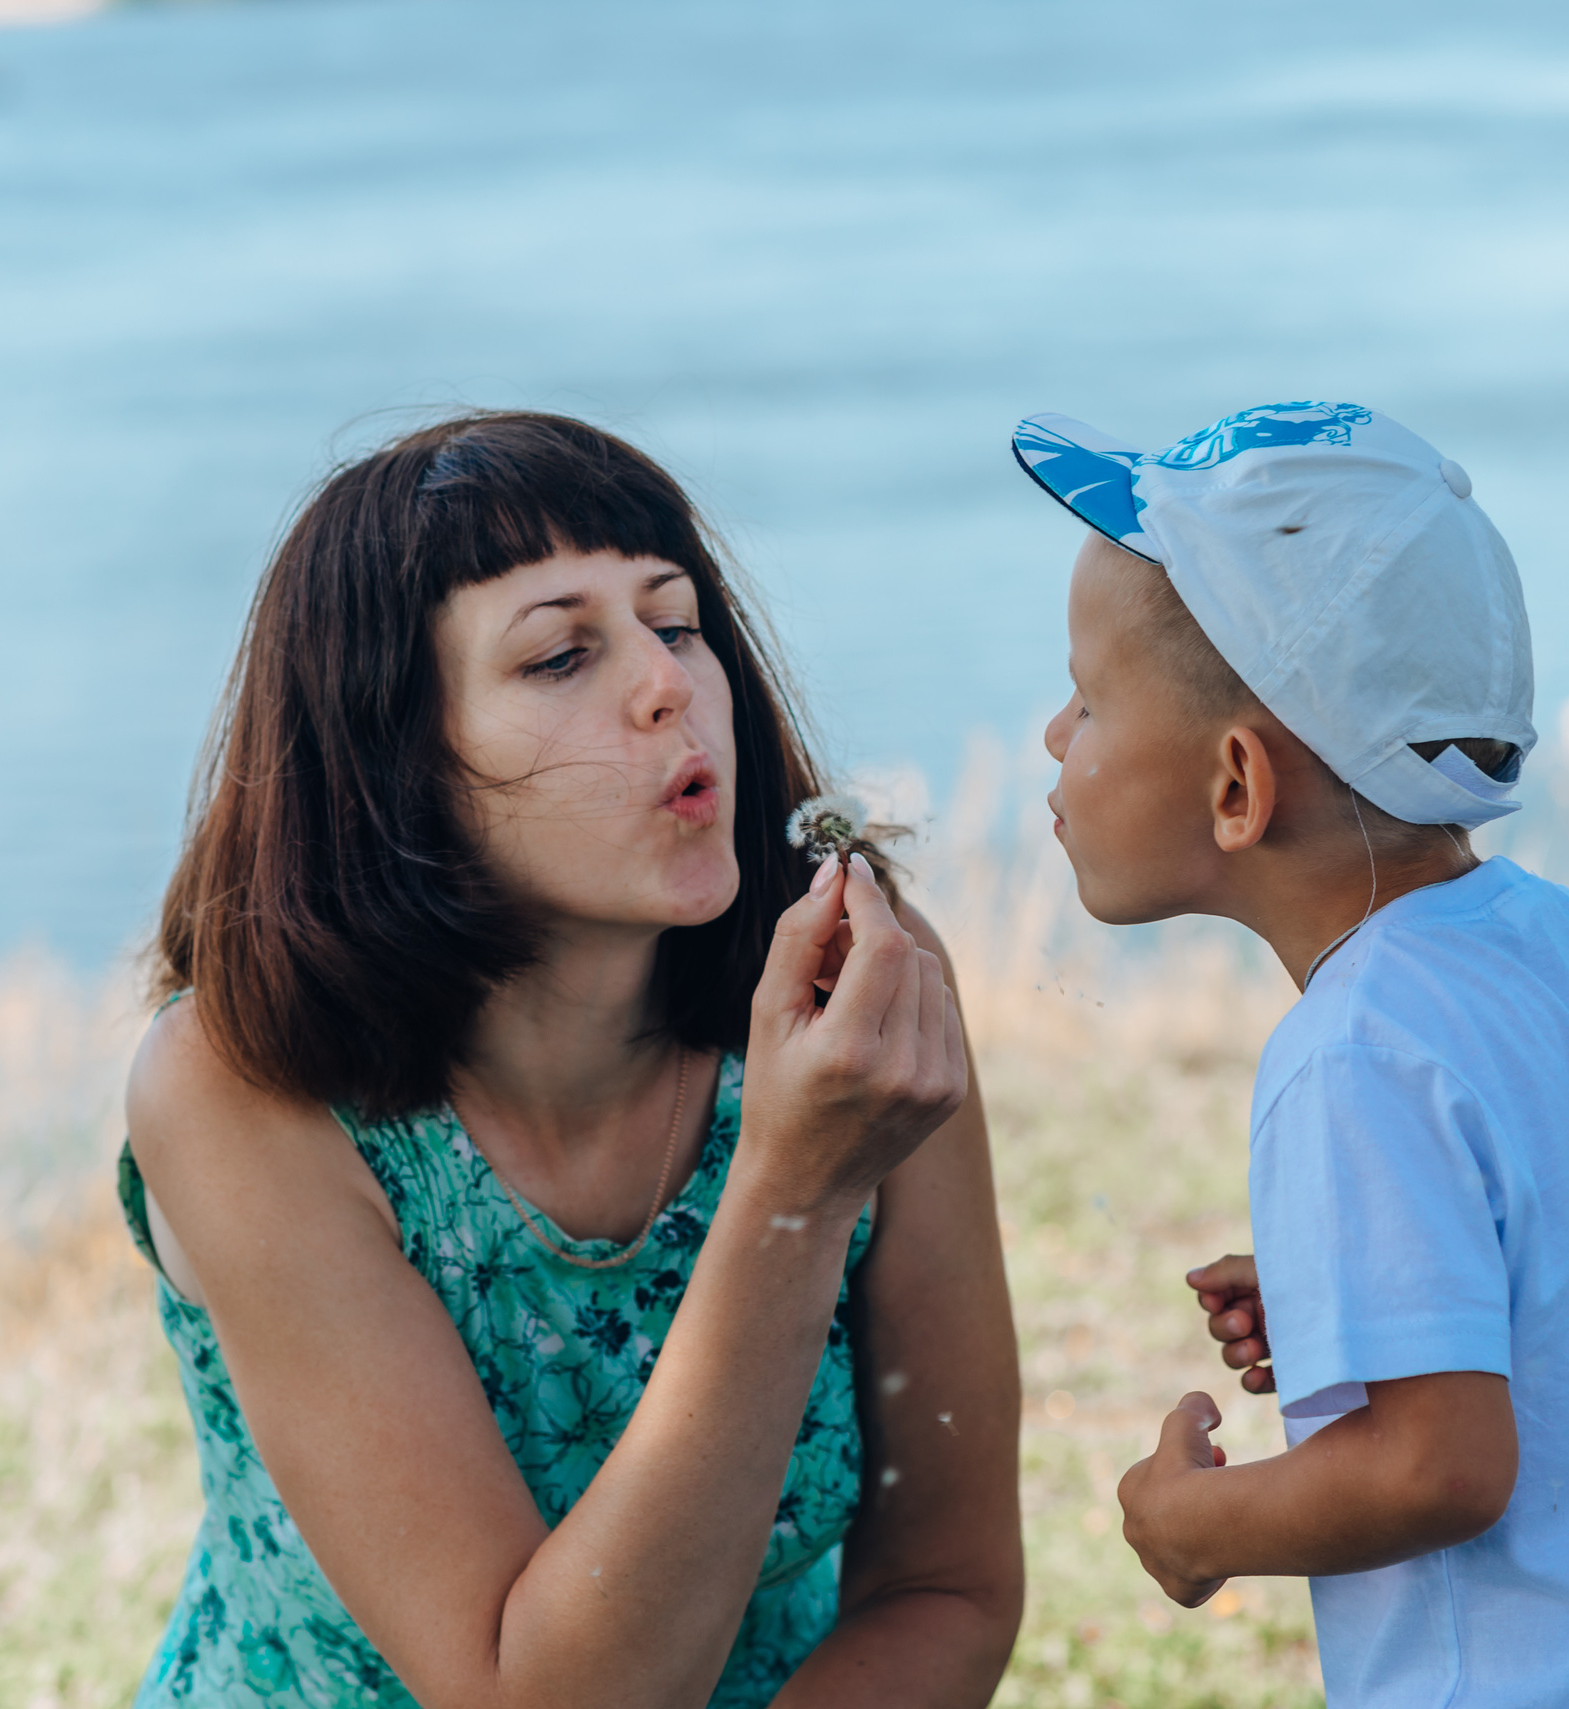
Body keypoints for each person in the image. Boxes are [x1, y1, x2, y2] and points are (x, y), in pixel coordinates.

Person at [121, 412, 1022, 1708]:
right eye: (559, 655)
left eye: (677, 620)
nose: (667, 682)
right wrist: (797, 1188)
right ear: (396, 763)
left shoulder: (845, 994)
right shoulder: (238, 1089)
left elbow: (949, 1584)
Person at [1011, 402, 1569, 1706]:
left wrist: (1194, 1524)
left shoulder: (1353, 1049)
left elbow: (1437, 1469)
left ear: (1237, 785)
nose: (1053, 736)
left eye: (1087, 697)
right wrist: (1365, 1283)